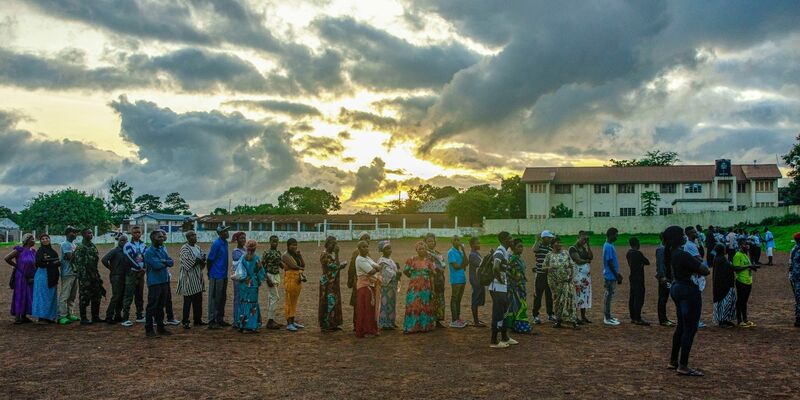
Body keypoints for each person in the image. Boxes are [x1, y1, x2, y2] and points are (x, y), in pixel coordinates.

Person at [664, 225, 710, 377]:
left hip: (677, 288)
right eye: (682, 234)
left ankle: (673, 361)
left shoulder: (671, 253)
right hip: (688, 290)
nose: (684, 236)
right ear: (678, 238)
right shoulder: (682, 254)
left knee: (681, 326)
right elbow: (705, 270)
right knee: (690, 328)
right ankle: (683, 365)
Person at [489, 232, 518, 348]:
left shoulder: (505, 251)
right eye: (510, 238)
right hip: (497, 287)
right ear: (505, 240)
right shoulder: (500, 251)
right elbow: (495, 267)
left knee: (504, 311)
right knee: (498, 312)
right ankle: (494, 341)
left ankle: (505, 337)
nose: (512, 240)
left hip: (501, 287)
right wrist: (500, 280)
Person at [143, 229, 173, 337]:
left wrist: (163, 262)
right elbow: (156, 266)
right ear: (153, 238)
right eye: (159, 237)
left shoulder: (161, 249)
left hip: (164, 281)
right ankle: (149, 328)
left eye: (162, 236)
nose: (162, 238)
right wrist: (165, 262)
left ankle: (161, 328)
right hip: (154, 282)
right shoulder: (149, 252)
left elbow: (171, 262)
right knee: (152, 306)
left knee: (161, 306)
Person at [403, 241, 437, 334]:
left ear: (426, 250)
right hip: (414, 287)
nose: (421, 250)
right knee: (413, 305)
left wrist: (433, 289)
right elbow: (405, 271)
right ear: (416, 250)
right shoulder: (411, 260)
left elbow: (433, 275)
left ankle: (424, 326)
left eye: (423, 249)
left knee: (424, 305)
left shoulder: (429, 261)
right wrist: (414, 277)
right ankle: (411, 327)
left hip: (425, 287)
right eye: (419, 249)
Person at [74, 228, 105, 325]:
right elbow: (79, 265)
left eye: (91, 233)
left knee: (97, 296)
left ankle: (95, 317)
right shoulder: (80, 247)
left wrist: (97, 276)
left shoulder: (92, 246)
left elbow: (95, 262)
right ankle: (83, 318)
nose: (91, 234)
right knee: (84, 297)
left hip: (94, 275)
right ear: (83, 235)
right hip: (85, 276)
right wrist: (84, 278)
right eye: (89, 233)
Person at [546, 237, 578, 329]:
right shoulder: (549, 255)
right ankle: (558, 320)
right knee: (557, 301)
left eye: (560, 242)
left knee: (569, 299)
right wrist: (549, 268)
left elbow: (571, 265)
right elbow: (543, 267)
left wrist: (571, 276)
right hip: (554, 283)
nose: (559, 244)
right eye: (557, 242)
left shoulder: (566, 253)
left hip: (566, 281)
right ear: (552, 245)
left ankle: (573, 321)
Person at [177, 230, 206, 329]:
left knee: (198, 300)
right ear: (188, 238)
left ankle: (198, 319)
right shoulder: (184, 248)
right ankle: (185, 321)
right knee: (188, 301)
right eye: (192, 236)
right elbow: (187, 264)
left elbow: (202, 260)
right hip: (188, 278)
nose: (194, 237)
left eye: (195, 235)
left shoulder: (197, 247)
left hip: (197, 277)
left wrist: (200, 260)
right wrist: (198, 260)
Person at [355, 240, 383, 338]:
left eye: (367, 247)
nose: (366, 248)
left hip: (370, 285)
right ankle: (365, 330)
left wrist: (376, 269)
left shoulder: (366, 258)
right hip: (364, 287)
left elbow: (377, 267)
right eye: (363, 247)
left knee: (370, 309)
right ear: (359, 249)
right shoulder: (359, 259)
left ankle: (371, 329)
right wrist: (376, 269)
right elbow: (372, 270)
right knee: (366, 309)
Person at [235, 239, 265, 333]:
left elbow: (238, 269)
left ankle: (241, 324)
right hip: (253, 283)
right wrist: (259, 280)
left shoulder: (243, 258)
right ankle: (251, 325)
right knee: (252, 304)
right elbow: (260, 272)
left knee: (243, 302)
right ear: (255, 248)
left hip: (244, 283)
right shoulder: (256, 258)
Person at [6, 233, 36, 324]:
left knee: (28, 295)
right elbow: (7, 258)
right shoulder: (19, 250)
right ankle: (17, 317)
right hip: (21, 276)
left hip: (30, 276)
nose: (34, 241)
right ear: (26, 240)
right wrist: (17, 266)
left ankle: (24, 316)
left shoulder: (33, 251)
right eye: (32, 239)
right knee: (20, 294)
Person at [31, 233, 60, 323]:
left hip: (52, 276)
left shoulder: (53, 251)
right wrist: (52, 263)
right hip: (43, 275)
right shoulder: (40, 251)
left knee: (51, 296)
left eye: (46, 238)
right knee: (43, 296)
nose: (45, 240)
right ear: (41, 241)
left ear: (49, 239)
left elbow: (58, 262)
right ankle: (42, 317)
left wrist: (54, 263)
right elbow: (38, 263)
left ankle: (50, 317)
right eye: (42, 239)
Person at [206, 225, 230, 329]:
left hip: (223, 274)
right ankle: (212, 320)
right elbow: (210, 259)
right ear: (220, 233)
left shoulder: (225, 243)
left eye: (227, 231)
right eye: (225, 231)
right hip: (216, 274)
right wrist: (209, 272)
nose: (227, 233)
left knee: (222, 298)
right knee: (214, 298)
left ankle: (220, 318)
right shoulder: (216, 244)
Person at [121, 226, 146, 327]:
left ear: (141, 233)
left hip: (141, 274)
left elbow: (145, 257)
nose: (137, 234)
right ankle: (125, 318)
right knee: (128, 295)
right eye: (135, 232)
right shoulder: (128, 245)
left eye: (139, 232)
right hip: (132, 273)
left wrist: (144, 268)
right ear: (131, 233)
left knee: (139, 295)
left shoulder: (143, 245)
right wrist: (138, 268)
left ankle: (139, 316)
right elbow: (128, 259)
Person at [101, 234, 128, 324]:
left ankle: (117, 315)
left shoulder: (127, 251)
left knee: (121, 296)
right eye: (122, 241)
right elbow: (104, 259)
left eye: (125, 241)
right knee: (116, 296)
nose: (124, 242)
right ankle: (109, 316)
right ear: (118, 241)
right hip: (116, 276)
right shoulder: (115, 251)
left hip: (124, 276)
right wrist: (111, 268)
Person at [319, 236, 344, 332]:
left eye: (335, 243)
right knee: (329, 302)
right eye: (333, 244)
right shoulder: (325, 255)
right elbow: (334, 266)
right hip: (327, 282)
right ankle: (326, 324)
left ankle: (333, 323)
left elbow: (336, 266)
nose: (334, 246)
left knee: (334, 302)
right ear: (327, 244)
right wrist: (337, 255)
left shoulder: (330, 254)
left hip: (333, 282)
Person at [684, 226, 707, 328]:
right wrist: (704, 266)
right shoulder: (690, 245)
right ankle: (694, 321)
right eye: (693, 232)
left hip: (695, 274)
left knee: (695, 299)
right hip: (694, 275)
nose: (696, 233)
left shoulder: (693, 244)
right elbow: (698, 259)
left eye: (696, 232)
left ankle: (693, 320)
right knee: (695, 300)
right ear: (688, 234)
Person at [507, 238, 531, 333]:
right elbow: (506, 270)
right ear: (513, 248)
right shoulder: (512, 258)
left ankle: (514, 326)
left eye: (522, 246)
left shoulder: (518, 258)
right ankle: (521, 327)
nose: (521, 248)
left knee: (516, 305)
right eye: (519, 247)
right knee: (519, 306)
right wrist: (514, 277)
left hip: (521, 286)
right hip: (515, 287)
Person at [732, 239, 759, 328]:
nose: (747, 246)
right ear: (740, 245)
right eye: (745, 244)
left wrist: (753, 267)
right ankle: (739, 321)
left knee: (744, 302)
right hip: (741, 281)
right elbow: (735, 268)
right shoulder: (737, 255)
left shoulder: (745, 255)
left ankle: (745, 320)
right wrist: (749, 266)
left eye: (748, 244)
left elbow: (746, 266)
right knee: (740, 301)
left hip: (748, 281)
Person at [569, 231, 593, 324]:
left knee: (585, 295)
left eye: (586, 239)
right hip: (577, 276)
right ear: (578, 237)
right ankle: (575, 316)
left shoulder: (584, 248)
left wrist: (588, 245)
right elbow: (578, 260)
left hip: (585, 277)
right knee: (576, 295)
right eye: (583, 239)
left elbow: (591, 256)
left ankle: (583, 316)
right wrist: (587, 260)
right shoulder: (573, 248)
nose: (584, 241)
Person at [282, 238, 306, 332]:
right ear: (288, 246)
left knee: (294, 301)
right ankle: (289, 323)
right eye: (292, 245)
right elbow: (293, 266)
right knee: (289, 301)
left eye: (296, 245)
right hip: (290, 279)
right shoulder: (285, 255)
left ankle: (293, 320)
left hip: (297, 279)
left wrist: (300, 256)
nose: (294, 247)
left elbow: (303, 265)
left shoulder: (295, 254)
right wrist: (301, 269)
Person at [347, 233, 371, 329]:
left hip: (366, 281)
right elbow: (352, 267)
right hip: (358, 281)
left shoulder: (367, 252)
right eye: (365, 238)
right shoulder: (357, 252)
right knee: (358, 303)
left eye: (368, 238)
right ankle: (357, 323)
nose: (368, 240)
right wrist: (350, 280)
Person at [57, 227, 80, 325]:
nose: (74, 234)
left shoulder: (73, 244)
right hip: (67, 273)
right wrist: (78, 251)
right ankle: (62, 315)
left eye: (75, 232)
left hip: (74, 273)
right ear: (67, 234)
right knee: (65, 295)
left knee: (72, 295)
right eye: (72, 232)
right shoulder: (65, 245)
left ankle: (69, 313)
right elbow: (71, 257)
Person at [532, 230, 555, 324]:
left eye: (551, 238)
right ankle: (535, 315)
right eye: (548, 238)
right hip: (540, 274)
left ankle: (550, 314)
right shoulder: (539, 246)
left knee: (549, 296)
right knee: (538, 296)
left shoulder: (550, 248)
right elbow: (534, 249)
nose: (550, 239)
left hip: (548, 275)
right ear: (543, 238)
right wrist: (537, 240)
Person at [626, 237, 651, 326]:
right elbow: (647, 262)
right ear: (637, 244)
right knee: (639, 298)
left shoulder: (629, 253)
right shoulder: (638, 253)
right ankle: (638, 318)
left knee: (632, 297)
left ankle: (633, 317)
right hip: (639, 277)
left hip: (632, 276)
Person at [711, 244, 737, 328]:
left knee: (725, 302)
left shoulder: (717, 258)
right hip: (724, 284)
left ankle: (725, 320)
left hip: (720, 284)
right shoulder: (721, 259)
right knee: (725, 302)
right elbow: (730, 268)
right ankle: (722, 321)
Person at [424, 233, 447, 327]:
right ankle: (430, 320)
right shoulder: (425, 254)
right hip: (429, 280)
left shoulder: (438, 254)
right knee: (430, 299)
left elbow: (444, 265)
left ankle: (437, 320)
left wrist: (440, 269)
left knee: (440, 299)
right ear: (425, 242)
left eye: (432, 241)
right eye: (428, 241)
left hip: (440, 279)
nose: (431, 243)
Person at [261, 236, 283, 330]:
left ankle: (272, 319)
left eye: (276, 242)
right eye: (273, 242)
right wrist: (267, 279)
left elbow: (281, 265)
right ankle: (270, 321)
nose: (275, 243)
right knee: (275, 297)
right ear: (270, 242)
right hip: (269, 276)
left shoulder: (278, 253)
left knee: (271, 298)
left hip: (276, 275)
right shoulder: (266, 253)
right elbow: (262, 266)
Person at [377, 240, 400, 330]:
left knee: (391, 304)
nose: (389, 250)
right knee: (385, 304)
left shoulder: (389, 259)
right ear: (382, 250)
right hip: (386, 286)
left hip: (392, 286)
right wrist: (397, 274)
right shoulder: (382, 261)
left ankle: (391, 322)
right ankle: (385, 323)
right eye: (386, 249)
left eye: (390, 248)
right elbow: (387, 273)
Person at [603, 228, 623, 326]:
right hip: (610, 275)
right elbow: (609, 263)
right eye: (616, 235)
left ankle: (609, 316)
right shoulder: (608, 246)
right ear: (611, 235)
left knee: (610, 296)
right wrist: (616, 275)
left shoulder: (610, 245)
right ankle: (607, 318)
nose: (617, 236)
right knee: (608, 297)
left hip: (611, 275)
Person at [447, 235, 468, 328]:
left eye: (458, 240)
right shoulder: (451, 252)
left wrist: (463, 250)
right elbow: (456, 266)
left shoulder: (460, 252)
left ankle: (457, 319)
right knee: (454, 299)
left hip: (462, 278)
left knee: (458, 300)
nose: (457, 241)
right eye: (455, 240)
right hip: (455, 279)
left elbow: (466, 263)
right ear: (452, 241)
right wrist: (463, 265)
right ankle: (454, 320)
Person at [655, 235, 675, 326]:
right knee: (663, 298)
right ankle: (662, 319)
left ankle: (664, 318)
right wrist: (662, 276)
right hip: (664, 278)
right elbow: (660, 264)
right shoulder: (661, 249)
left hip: (668, 277)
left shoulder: (665, 249)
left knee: (664, 297)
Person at [467, 236, 487, 327]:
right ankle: (476, 322)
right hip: (475, 279)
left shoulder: (476, 253)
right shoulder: (472, 255)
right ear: (472, 245)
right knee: (475, 299)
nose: (479, 244)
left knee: (477, 299)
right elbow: (481, 265)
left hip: (478, 279)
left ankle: (477, 320)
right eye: (477, 243)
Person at [230, 231, 246, 328]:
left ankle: (242, 319)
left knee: (243, 299)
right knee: (238, 298)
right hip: (238, 278)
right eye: (241, 238)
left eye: (244, 238)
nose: (243, 240)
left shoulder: (244, 250)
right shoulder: (236, 252)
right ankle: (236, 320)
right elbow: (244, 261)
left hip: (244, 278)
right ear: (237, 240)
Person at [790, 232, 800, 327]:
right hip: (797, 277)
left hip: (795, 277)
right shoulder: (796, 250)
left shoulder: (794, 249)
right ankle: (798, 319)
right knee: (798, 298)